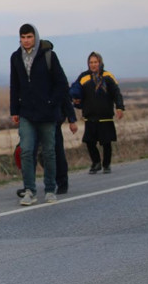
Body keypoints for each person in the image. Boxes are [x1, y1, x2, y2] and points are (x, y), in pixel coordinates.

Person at [10, 25, 77, 206]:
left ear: (36, 37)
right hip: (26, 113)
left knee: (49, 152)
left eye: (29, 37)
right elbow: (14, 85)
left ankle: (49, 190)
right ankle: (30, 191)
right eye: (23, 37)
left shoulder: (48, 56)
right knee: (26, 151)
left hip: (48, 114)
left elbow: (62, 84)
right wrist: (14, 110)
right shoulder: (16, 57)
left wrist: (51, 103)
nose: (26, 40)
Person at [70, 52, 125, 174]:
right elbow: (75, 91)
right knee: (89, 141)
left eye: (95, 62)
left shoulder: (108, 76)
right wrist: (75, 99)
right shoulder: (83, 77)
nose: (93, 65)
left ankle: (106, 164)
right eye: (91, 62)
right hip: (90, 115)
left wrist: (119, 107)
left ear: (100, 63)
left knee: (106, 142)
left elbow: (116, 93)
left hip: (105, 116)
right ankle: (96, 163)